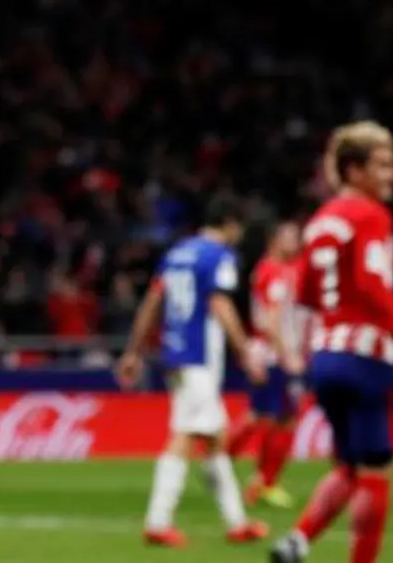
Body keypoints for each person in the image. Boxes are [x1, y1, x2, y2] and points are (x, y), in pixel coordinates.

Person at [270, 122, 393, 563]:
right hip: (366, 356)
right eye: (383, 165)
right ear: (354, 170)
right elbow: (373, 286)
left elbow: (303, 296)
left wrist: (298, 356)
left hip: (326, 356)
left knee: (349, 466)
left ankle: (296, 542)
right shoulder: (371, 214)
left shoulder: (320, 221)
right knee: (377, 468)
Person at [117, 201, 270, 547]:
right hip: (198, 357)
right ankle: (157, 522)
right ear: (229, 224)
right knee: (185, 435)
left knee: (215, 439)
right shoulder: (218, 256)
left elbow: (153, 303)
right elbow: (220, 303)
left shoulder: (176, 254)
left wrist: (134, 350)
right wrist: (245, 353)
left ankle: (237, 522)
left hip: (175, 352)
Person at [228, 221, 308, 508]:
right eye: (289, 237)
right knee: (265, 416)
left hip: (284, 352)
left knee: (283, 417)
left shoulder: (288, 269)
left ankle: (263, 483)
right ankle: (221, 463)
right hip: (273, 354)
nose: (296, 242)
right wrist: (286, 354)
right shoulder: (271, 271)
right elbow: (272, 320)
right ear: (273, 240)